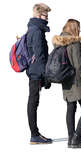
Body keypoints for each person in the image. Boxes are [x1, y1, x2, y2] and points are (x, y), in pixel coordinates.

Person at [52, 19, 81, 148]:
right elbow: (78, 65)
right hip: (76, 80)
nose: (80, 30)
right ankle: (77, 138)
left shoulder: (59, 42)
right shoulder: (75, 44)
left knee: (71, 107)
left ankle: (70, 139)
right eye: (79, 27)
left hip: (65, 79)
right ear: (74, 28)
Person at [26, 3, 52, 144]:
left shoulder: (33, 28)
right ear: (38, 15)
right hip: (36, 72)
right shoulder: (36, 30)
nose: (47, 19)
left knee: (33, 101)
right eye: (45, 16)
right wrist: (46, 75)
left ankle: (35, 134)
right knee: (33, 102)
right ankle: (34, 135)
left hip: (34, 71)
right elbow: (40, 55)